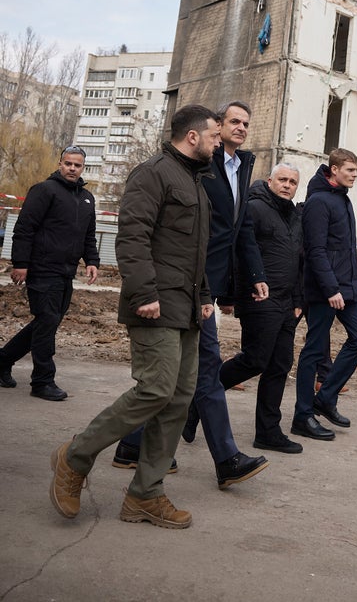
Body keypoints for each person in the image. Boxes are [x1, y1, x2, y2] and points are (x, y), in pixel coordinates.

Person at [49, 105, 228, 530]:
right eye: (215, 136)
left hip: (186, 308)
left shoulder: (196, 183)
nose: (219, 143)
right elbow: (132, 236)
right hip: (155, 304)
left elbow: (195, 250)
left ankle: (145, 495)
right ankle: (74, 457)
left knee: (179, 398)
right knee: (155, 390)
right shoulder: (153, 174)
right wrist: (143, 291)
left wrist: (204, 295)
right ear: (192, 137)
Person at [113, 99, 269, 491]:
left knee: (187, 376)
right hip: (183, 286)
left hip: (204, 288)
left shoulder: (241, 167)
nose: (240, 129)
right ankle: (226, 458)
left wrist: (247, 280)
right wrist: (150, 289)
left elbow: (237, 233)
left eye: (245, 123)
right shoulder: (200, 165)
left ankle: (132, 446)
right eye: (232, 122)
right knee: (202, 372)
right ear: (212, 128)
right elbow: (145, 234)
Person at [0, 145, 99, 400]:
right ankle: (42, 381)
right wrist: (20, 264)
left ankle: (2, 360)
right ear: (60, 163)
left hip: (66, 272)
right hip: (42, 269)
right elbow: (24, 229)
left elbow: (88, 235)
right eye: (68, 164)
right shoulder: (44, 190)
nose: (72, 168)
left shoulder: (87, 198)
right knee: (47, 323)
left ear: (82, 168)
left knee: (47, 322)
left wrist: (92, 261)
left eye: (77, 165)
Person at [219, 163, 304, 453]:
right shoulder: (254, 208)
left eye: (292, 181)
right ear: (269, 181)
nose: (287, 185)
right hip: (259, 299)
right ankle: (199, 396)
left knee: (280, 365)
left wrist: (297, 302)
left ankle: (268, 432)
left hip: (286, 304)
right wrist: (232, 294)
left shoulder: (294, 216)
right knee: (255, 360)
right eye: (282, 179)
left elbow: (297, 261)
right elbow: (237, 252)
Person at [291, 148, 357, 442]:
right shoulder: (319, 202)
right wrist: (330, 289)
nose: (354, 175)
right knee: (313, 350)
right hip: (326, 291)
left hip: (346, 289)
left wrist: (346, 287)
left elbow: (343, 249)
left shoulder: (342, 200)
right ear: (334, 169)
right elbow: (315, 251)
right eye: (350, 170)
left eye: (356, 170)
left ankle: (325, 398)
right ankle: (302, 416)